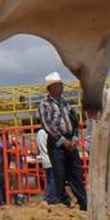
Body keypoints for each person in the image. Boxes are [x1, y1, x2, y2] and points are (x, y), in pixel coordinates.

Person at [38, 71, 87, 210]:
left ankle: (83, 201)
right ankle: (63, 201)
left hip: (69, 139)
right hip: (56, 143)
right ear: (51, 88)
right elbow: (47, 125)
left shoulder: (66, 104)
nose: (61, 87)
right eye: (58, 85)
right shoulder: (45, 105)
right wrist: (63, 140)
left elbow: (75, 122)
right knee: (59, 174)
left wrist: (74, 138)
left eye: (60, 85)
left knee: (76, 172)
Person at [35, 126, 57, 203]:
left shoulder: (39, 133)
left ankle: (49, 196)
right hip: (51, 158)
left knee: (49, 180)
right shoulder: (48, 133)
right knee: (53, 180)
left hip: (44, 159)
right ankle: (50, 197)